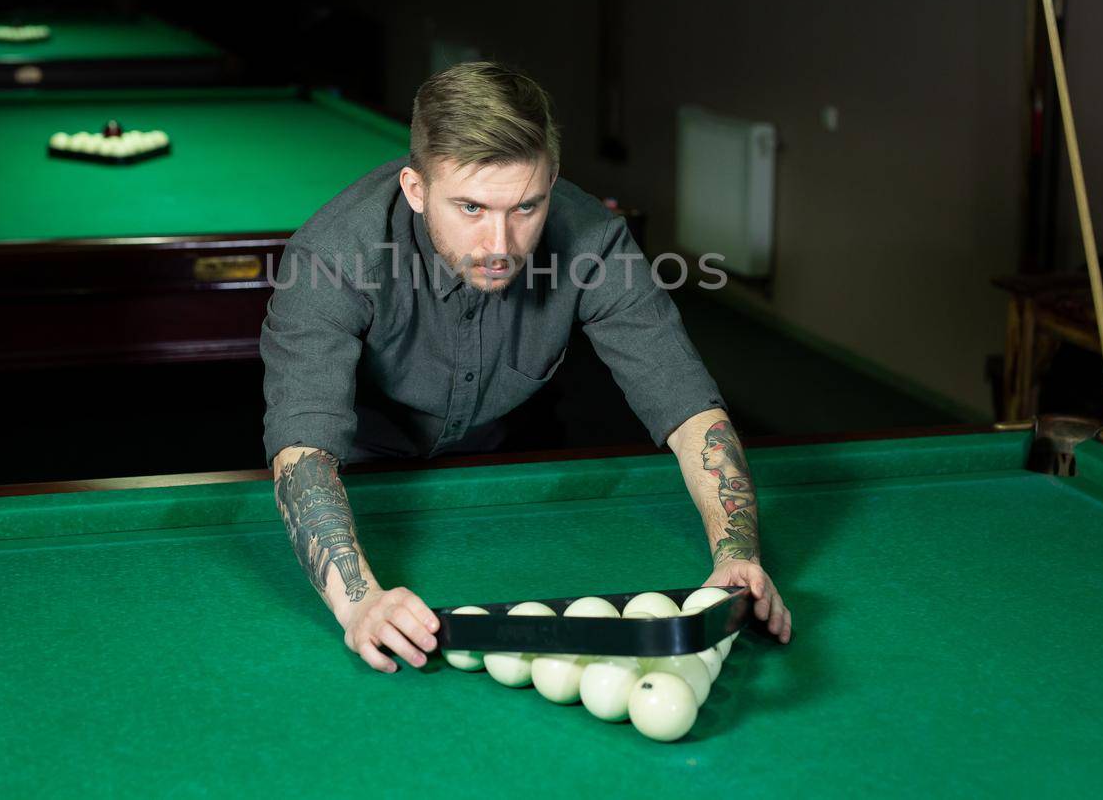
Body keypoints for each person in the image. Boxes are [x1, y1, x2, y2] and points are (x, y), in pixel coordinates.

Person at [261, 61, 792, 673]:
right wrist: (359, 603)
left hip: (507, 461)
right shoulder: (330, 256)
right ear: (415, 189)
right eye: (471, 208)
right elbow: (302, 448)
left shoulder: (591, 236)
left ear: (552, 183)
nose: (500, 244)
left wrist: (737, 555)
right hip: (366, 473)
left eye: (525, 207)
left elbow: (688, 403)